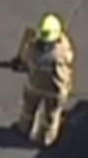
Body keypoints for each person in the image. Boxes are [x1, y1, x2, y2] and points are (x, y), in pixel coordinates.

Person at [11, 13, 75, 147]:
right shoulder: (61, 52)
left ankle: (24, 128)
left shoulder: (33, 49)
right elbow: (69, 57)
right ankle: (46, 139)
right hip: (55, 89)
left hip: (34, 85)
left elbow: (25, 60)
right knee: (51, 115)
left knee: (28, 108)